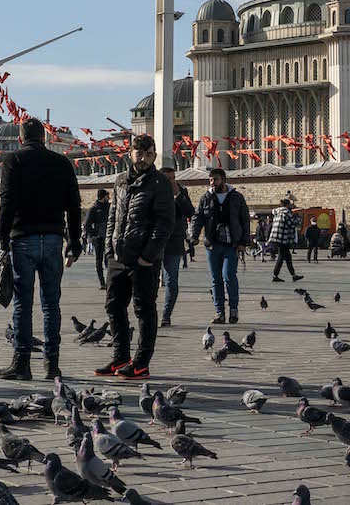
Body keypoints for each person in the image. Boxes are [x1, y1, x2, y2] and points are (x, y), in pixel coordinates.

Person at [0, 118, 81, 381]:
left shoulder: (14, 161)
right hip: (54, 238)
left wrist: (2, 236)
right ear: (44, 138)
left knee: (23, 302)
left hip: (24, 238)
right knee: (51, 303)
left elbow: (7, 201)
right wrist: (74, 241)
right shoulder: (62, 163)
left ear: (21, 138)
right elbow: (74, 205)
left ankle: (22, 363)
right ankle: (51, 364)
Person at [96, 134, 173, 380]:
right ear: (130, 153)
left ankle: (141, 363)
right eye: (139, 154)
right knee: (114, 306)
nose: (143, 159)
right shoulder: (120, 181)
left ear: (154, 156)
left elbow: (165, 223)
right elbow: (113, 216)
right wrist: (109, 249)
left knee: (144, 309)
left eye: (148, 155)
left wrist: (147, 257)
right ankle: (121, 357)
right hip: (118, 257)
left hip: (143, 260)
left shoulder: (159, 183)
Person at [189, 166, 249, 324]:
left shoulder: (236, 197)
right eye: (210, 180)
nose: (212, 183)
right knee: (216, 279)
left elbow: (245, 220)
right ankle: (219, 312)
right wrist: (193, 236)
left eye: (215, 179)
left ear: (223, 180)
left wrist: (243, 242)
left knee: (228, 276)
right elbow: (198, 218)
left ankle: (233, 309)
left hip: (231, 244)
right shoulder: (206, 198)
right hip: (212, 245)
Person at [159, 162, 194, 328]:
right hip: (154, 241)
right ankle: (149, 314)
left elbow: (189, 212)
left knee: (172, 281)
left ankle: (166, 315)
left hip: (174, 241)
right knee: (149, 282)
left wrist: (178, 196)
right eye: (168, 179)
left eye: (174, 178)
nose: (172, 182)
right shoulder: (152, 191)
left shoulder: (181, 191)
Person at [268, 197, 303, 283]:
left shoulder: (277, 212)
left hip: (276, 237)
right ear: (287, 205)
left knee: (288, 257)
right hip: (282, 238)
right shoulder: (286, 212)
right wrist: (299, 218)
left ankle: (293, 275)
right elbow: (292, 223)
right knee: (281, 256)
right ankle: (275, 275)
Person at [84, 189, 111, 288]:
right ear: (103, 197)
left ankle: (110, 281)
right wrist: (94, 234)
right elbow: (87, 224)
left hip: (109, 236)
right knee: (99, 259)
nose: (108, 198)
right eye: (107, 196)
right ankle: (102, 282)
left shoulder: (109, 207)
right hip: (99, 238)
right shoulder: (94, 209)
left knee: (110, 259)